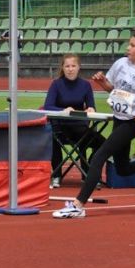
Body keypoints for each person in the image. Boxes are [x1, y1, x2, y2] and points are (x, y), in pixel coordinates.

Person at [53, 31, 135, 219]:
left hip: (131, 124)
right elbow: (113, 91)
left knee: (98, 157)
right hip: (118, 120)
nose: (128, 48)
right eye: (128, 44)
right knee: (123, 169)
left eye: (132, 45)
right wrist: (102, 83)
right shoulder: (121, 63)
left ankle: (78, 205)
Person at [43, 53, 106, 188]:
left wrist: (91, 109)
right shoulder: (56, 84)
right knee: (52, 138)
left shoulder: (86, 85)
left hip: (80, 129)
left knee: (103, 143)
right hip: (60, 128)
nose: (70, 69)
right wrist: (63, 110)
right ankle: (57, 175)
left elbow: (92, 106)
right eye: (67, 66)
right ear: (63, 68)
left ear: (79, 67)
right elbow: (47, 106)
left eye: (73, 66)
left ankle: (89, 171)